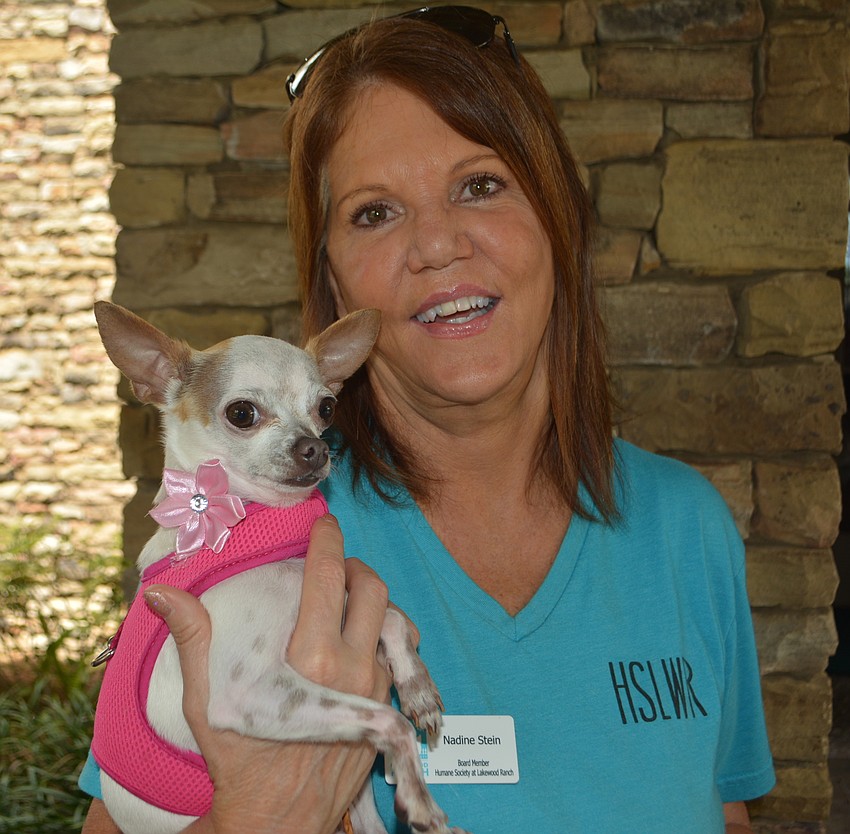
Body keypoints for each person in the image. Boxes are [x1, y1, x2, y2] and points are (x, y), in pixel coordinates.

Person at [80, 7, 775, 833]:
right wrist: (263, 815)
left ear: (558, 216)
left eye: (479, 185)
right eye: (375, 212)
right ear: (336, 288)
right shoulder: (251, 537)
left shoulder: (686, 527)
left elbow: (723, 813)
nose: (438, 245)